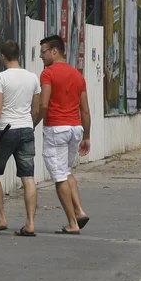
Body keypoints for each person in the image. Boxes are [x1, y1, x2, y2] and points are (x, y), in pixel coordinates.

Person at [34, 35, 92, 235]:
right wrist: (86, 136)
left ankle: (72, 223)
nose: (41, 56)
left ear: (54, 51)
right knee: (66, 171)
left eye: (43, 52)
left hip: (56, 128)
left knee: (59, 177)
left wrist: (34, 123)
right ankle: (80, 211)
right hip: (75, 128)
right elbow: (85, 110)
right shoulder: (77, 75)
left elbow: (43, 103)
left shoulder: (47, 73)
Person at [0, 41, 41, 237]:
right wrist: (30, 125)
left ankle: (0, 218)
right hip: (26, 127)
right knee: (28, 177)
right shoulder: (32, 78)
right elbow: (36, 109)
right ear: (18, 55)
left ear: (2, 56)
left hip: (6, 130)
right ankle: (30, 223)